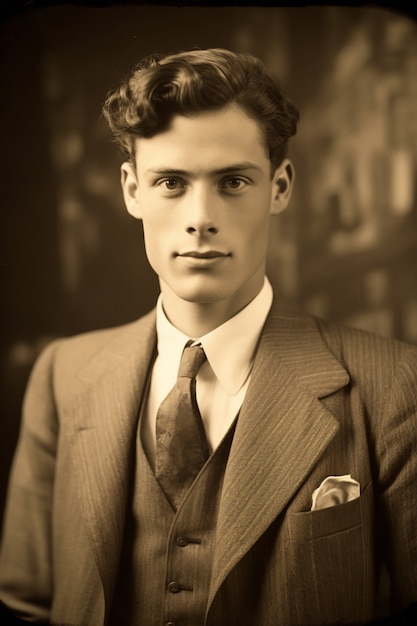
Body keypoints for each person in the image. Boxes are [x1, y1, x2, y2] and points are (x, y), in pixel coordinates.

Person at [0, 48, 416, 626]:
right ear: (131, 190)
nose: (201, 216)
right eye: (170, 181)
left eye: (233, 181)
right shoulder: (62, 374)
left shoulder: (395, 385)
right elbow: (24, 603)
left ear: (279, 187)